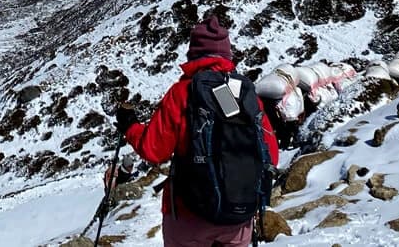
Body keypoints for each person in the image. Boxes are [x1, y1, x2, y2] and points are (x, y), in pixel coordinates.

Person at [115, 15, 280, 247]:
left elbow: (153, 150)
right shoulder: (245, 95)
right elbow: (271, 154)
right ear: (227, 54)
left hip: (188, 214)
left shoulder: (182, 93)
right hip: (239, 216)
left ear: (193, 53)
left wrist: (130, 126)